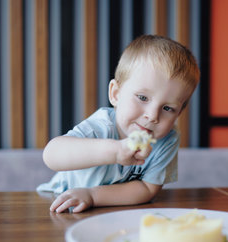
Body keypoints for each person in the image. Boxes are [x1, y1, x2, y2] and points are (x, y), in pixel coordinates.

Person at [38, 34, 200, 213]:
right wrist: (115, 151)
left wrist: (92, 196)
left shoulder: (167, 140)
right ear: (115, 94)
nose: (153, 116)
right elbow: (51, 154)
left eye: (168, 108)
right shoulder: (101, 127)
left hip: (111, 210)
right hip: (61, 203)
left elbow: (147, 189)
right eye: (143, 98)